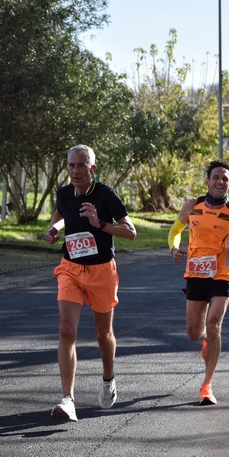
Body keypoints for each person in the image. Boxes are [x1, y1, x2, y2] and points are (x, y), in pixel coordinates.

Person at [44, 145, 137, 422]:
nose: (75, 171)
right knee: (66, 330)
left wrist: (100, 224)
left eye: (81, 165)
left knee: (102, 334)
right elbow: (60, 215)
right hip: (70, 268)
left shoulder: (106, 195)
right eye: (71, 165)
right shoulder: (63, 193)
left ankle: (108, 379)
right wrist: (54, 230)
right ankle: (67, 399)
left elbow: (131, 232)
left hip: (101, 271)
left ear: (92, 168)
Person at [168, 160, 229, 405]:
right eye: (216, 177)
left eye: (225, 178)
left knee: (214, 323)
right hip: (196, 273)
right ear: (207, 181)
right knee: (194, 332)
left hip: (223, 274)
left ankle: (206, 385)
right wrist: (174, 248)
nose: (220, 182)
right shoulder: (191, 206)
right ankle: (206, 340)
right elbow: (175, 231)